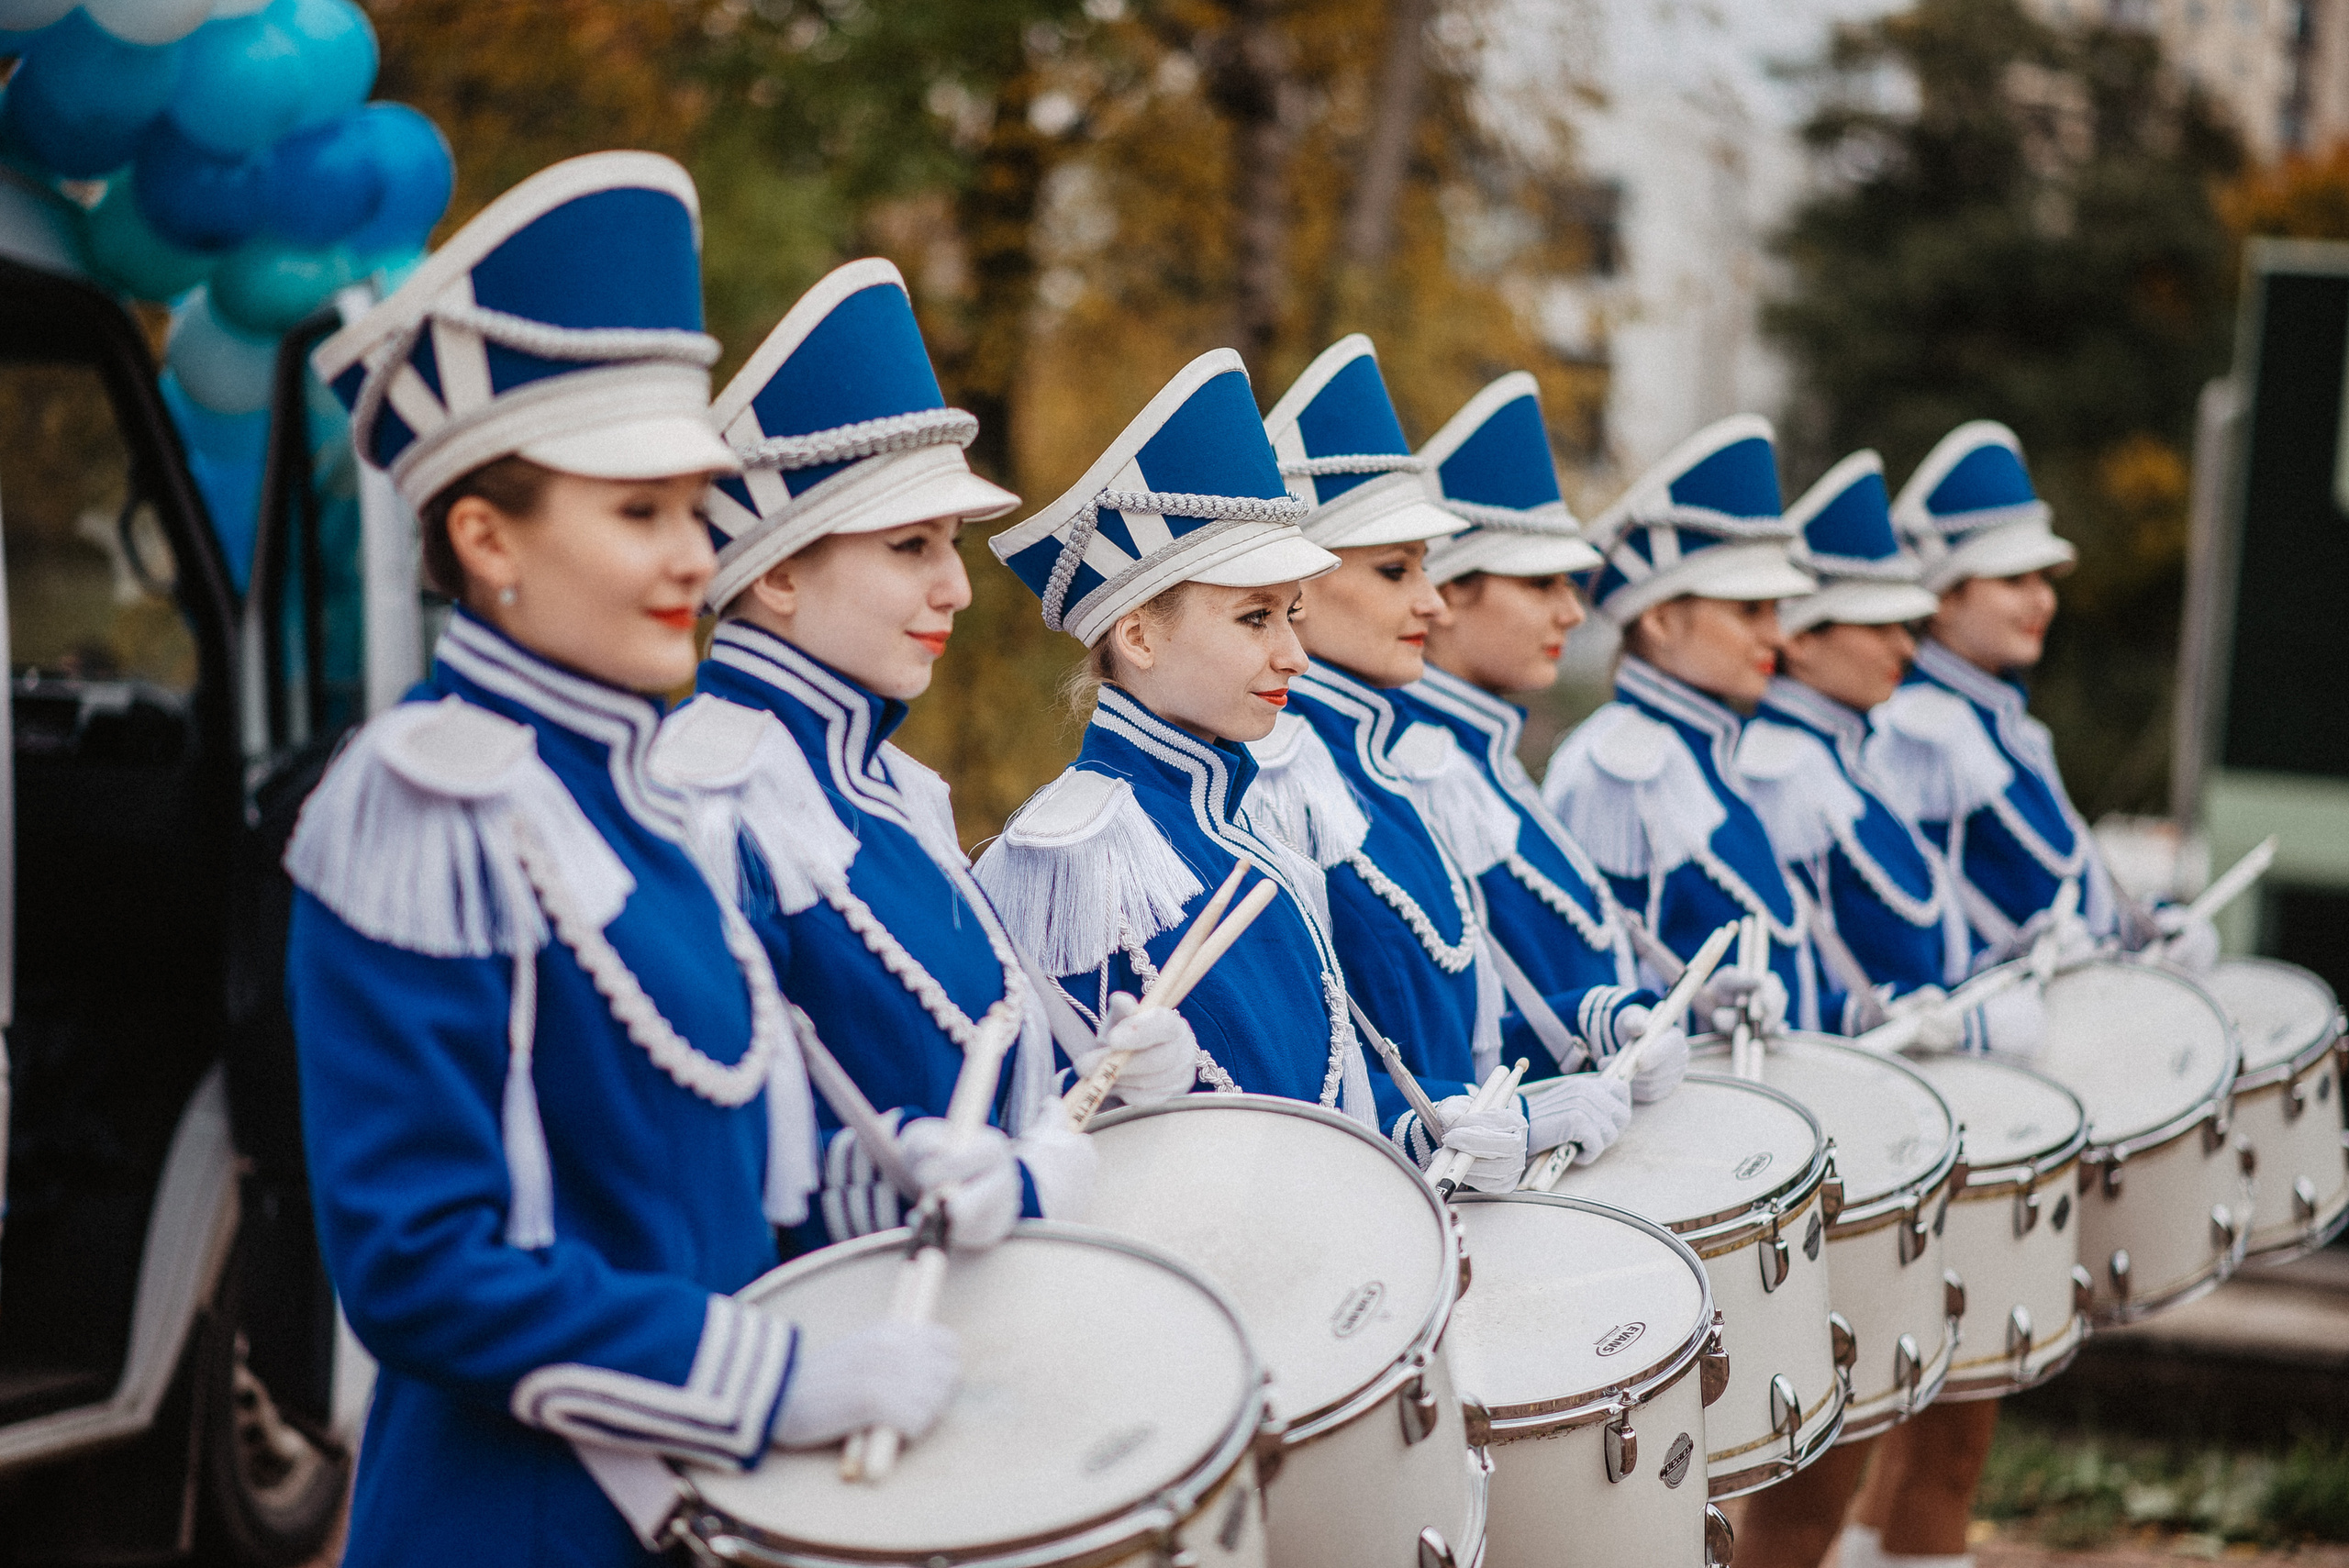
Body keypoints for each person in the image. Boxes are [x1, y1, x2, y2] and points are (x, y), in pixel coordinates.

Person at [287, 155, 955, 1566]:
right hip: (518, 1522)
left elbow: (689, 1171)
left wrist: (898, 1178)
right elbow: (420, 1268)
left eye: (698, 507)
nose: (694, 556)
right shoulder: (425, 807)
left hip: (706, 1514)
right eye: (636, 512)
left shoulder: (636, 790)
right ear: (486, 538)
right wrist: (764, 1381)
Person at [650, 258, 1123, 1251]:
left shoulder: (894, 790)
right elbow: (693, 1148)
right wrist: (898, 1190)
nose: (955, 585)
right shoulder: (710, 793)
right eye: (911, 546)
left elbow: (960, 1086)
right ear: (776, 570)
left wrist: (1102, 1088)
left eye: (950, 543)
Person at [1844, 420, 2214, 1568]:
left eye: (2045, 575)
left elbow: (2058, 891)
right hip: (1964, 1084)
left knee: (1953, 1412)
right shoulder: (1922, 728)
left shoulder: (1998, 718)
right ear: (1939, 591)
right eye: (2009, 577)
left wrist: (2142, 933)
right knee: (1933, 1407)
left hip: (2018, 1079)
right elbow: (1907, 915)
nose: (2039, 598)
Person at [1723, 450, 2041, 1568]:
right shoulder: (1775, 764)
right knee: (1813, 1472)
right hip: (1825, 1134)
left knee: (1928, 1424)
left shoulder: (1833, 756)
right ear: (1802, 637)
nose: (1905, 647)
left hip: (1883, 1115)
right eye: (1877, 623)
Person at [1253, 337, 1645, 1186]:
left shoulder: (1367, 765)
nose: (1428, 601)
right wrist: (1469, 1119)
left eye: (1427, 570)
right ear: (1299, 592)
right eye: (1398, 571)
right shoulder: (1283, 778)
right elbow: (1302, 1070)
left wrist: (1598, 1018)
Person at [975, 348, 1385, 1126]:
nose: (1294, 653)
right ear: (1137, 634)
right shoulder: (1075, 852)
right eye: (1255, 617)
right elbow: (1041, 1134)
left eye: (1292, 614)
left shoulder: (1244, 828)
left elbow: (1324, 1107)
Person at [1404, 372, 1688, 1105]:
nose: (1571, 611)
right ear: (1444, 596)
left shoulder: (1482, 758)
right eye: (1540, 585)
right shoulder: (1418, 771)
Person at [1542, 414, 1846, 1034]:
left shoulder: (1704, 757)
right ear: (1657, 620)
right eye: (1748, 610)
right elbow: (1600, 991)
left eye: (1776, 609)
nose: (1776, 633)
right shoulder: (1623, 770)